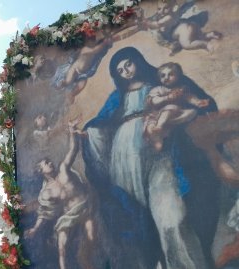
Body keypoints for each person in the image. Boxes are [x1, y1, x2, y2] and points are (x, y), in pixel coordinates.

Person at [82, 47, 220, 268]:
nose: (126, 71)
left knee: (172, 218)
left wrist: (192, 111)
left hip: (160, 154)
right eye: (120, 70)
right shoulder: (117, 97)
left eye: (128, 64)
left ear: (137, 60)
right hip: (124, 157)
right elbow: (101, 123)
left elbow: (191, 99)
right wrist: (88, 133)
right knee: (136, 220)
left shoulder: (161, 84)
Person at [25, 120, 96, 269]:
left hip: (85, 207)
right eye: (46, 163)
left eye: (49, 161)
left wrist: (71, 132)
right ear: (41, 171)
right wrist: (34, 229)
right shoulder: (47, 192)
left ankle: (86, 263)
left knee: (90, 238)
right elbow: (43, 213)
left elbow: (73, 149)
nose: (50, 163)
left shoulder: (63, 169)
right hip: (68, 215)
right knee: (61, 246)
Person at [144, 62, 210, 151]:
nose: (166, 78)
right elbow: (154, 101)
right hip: (158, 115)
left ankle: (169, 125)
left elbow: (189, 97)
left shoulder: (180, 90)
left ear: (178, 76)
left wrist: (198, 102)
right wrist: (167, 97)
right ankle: (158, 131)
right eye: (163, 76)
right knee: (171, 108)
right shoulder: (158, 89)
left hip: (176, 115)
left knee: (192, 112)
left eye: (170, 74)